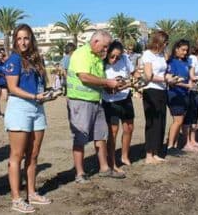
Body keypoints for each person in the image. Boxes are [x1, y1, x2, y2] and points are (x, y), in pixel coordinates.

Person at [4, 24, 51, 213]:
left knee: (33, 154)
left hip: (37, 107)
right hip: (20, 108)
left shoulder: (35, 59)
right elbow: (12, 88)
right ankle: (16, 198)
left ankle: (31, 192)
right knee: (17, 155)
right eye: (20, 38)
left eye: (26, 38)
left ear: (31, 39)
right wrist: (33, 97)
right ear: (15, 40)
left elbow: (38, 85)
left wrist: (46, 95)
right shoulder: (13, 60)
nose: (23, 42)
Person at [66, 30, 125, 182]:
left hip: (95, 100)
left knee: (101, 135)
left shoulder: (98, 57)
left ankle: (104, 168)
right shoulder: (81, 54)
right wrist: (107, 83)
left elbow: (98, 79)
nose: (106, 50)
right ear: (95, 41)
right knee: (80, 137)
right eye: (105, 47)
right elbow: (84, 77)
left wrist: (111, 87)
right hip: (80, 101)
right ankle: (79, 173)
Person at [102, 40, 136, 171]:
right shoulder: (102, 63)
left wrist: (136, 77)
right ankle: (112, 162)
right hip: (110, 101)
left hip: (125, 97)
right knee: (113, 132)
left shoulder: (125, 58)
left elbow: (133, 73)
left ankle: (124, 156)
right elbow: (109, 90)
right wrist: (128, 84)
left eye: (118, 56)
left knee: (129, 128)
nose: (115, 59)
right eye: (113, 56)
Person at [141, 30, 171, 164]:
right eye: (165, 42)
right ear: (159, 42)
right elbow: (148, 75)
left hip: (162, 90)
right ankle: (148, 154)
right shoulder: (147, 54)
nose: (166, 45)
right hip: (151, 91)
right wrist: (165, 79)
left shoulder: (161, 55)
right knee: (152, 122)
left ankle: (156, 152)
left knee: (161, 122)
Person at [165, 39, 193, 155]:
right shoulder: (171, 62)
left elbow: (189, 77)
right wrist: (186, 85)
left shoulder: (186, 62)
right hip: (175, 94)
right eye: (183, 50)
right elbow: (171, 80)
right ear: (176, 49)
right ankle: (170, 146)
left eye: (186, 50)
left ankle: (174, 144)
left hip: (185, 94)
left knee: (180, 121)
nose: (185, 52)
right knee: (177, 121)